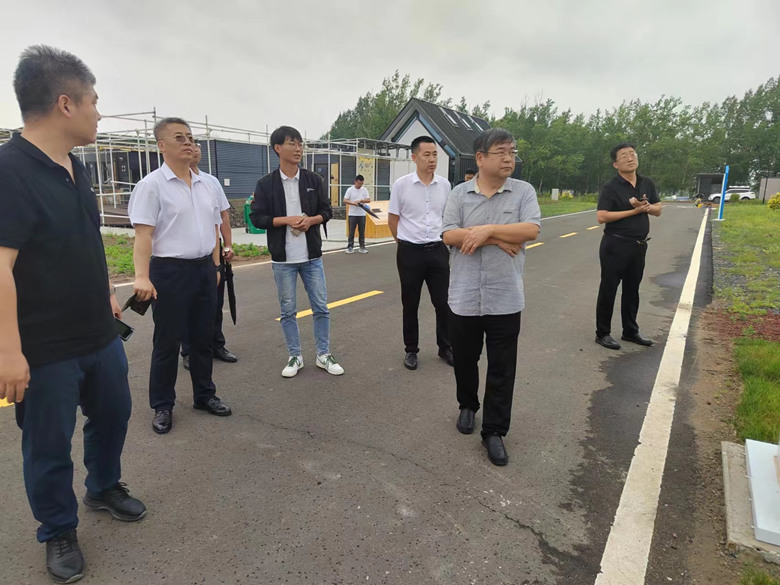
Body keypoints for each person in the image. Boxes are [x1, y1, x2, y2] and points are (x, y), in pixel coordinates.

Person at [0, 45, 146, 584]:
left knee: (113, 414)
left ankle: (103, 487)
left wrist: (106, 291)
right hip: (44, 347)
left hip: (98, 332)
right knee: (48, 445)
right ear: (66, 103)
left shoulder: (74, 166)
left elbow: (83, 241)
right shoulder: (9, 172)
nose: (99, 113)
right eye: (94, 101)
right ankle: (58, 529)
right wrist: (8, 351)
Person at [442, 128, 541, 466]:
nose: (509, 158)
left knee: (502, 367)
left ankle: (495, 431)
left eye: (512, 152)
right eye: (501, 152)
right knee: (465, 359)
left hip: (505, 296)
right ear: (481, 158)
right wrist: (497, 239)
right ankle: (467, 405)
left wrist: (488, 229)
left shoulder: (523, 192)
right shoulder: (459, 194)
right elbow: (449, 235)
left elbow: (531, 230)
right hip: (464, 295)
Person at [128, 117, 232, 436]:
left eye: (190, 137)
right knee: (167, 341)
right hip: (169, 271)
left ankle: (204, 395)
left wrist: (215, 266)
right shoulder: (152, 186)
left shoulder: (206, 185)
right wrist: (141, 277)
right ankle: (162, 405)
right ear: (161, 145)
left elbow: (214, 228)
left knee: (202, 338)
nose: (188, 142)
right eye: (179, 138)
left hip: (204, 269)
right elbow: (143, 235)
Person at [250, 126, 344, 378]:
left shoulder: (313, 180)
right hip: (283, 260)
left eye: (300, 143)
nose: (298, 148)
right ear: (277, 148)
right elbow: (257, 218)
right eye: (292, 143)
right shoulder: (266, 184)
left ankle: (323, 354)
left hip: (311, 257)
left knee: (321, 308)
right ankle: (295, 356)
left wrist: (311, 220)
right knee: (288, 311)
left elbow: (326, 211)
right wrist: (287, 220)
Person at [388, 135, 453, 371]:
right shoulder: (401, 185)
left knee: (444, 303)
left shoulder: (445, 185)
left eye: (435, 154)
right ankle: (411, 350)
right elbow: (393, 219)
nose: (432, 159)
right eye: (427, 155)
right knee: (410, 304)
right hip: (410, 252)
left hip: (437, 250)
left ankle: (445, 347)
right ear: (414, 157)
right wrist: (404, 243)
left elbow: (447, 218)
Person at [595, 142, 662, 350]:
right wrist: (634, 211)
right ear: (615, 164)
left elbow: (658, 209)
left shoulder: (646, 183)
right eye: (624, 155)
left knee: (632, 289)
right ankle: (602, 333)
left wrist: (647, 207)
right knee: (609, 288)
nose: (630, 158)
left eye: (632, 154)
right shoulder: (610, 187)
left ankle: (630, 331)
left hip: (639, 245)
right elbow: (602, 216)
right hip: (615, 244)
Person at [181, 143, 238, 370]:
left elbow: (222, 216)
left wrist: (228, 244)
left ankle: (216, 344)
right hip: (186, 256)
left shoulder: (211, 182)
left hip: (212, 251)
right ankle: (188, 351)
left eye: (196, 144)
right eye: (187, 142)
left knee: (215, 302)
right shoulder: (171, 182)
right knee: (188, 307)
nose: (194, 148)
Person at [343, 174, 371, 254]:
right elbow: (345, 200)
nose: (360, 185)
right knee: (351, 231)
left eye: (361, 184)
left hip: (362, 214)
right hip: (352, 214)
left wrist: (361, 200)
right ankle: (350, 247)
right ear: (355, 181)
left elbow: (368, 200)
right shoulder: (350, 190)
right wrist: (353, 203)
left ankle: (362, 247)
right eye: (358, 183)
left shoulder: (364, 190)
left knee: (362, 232)